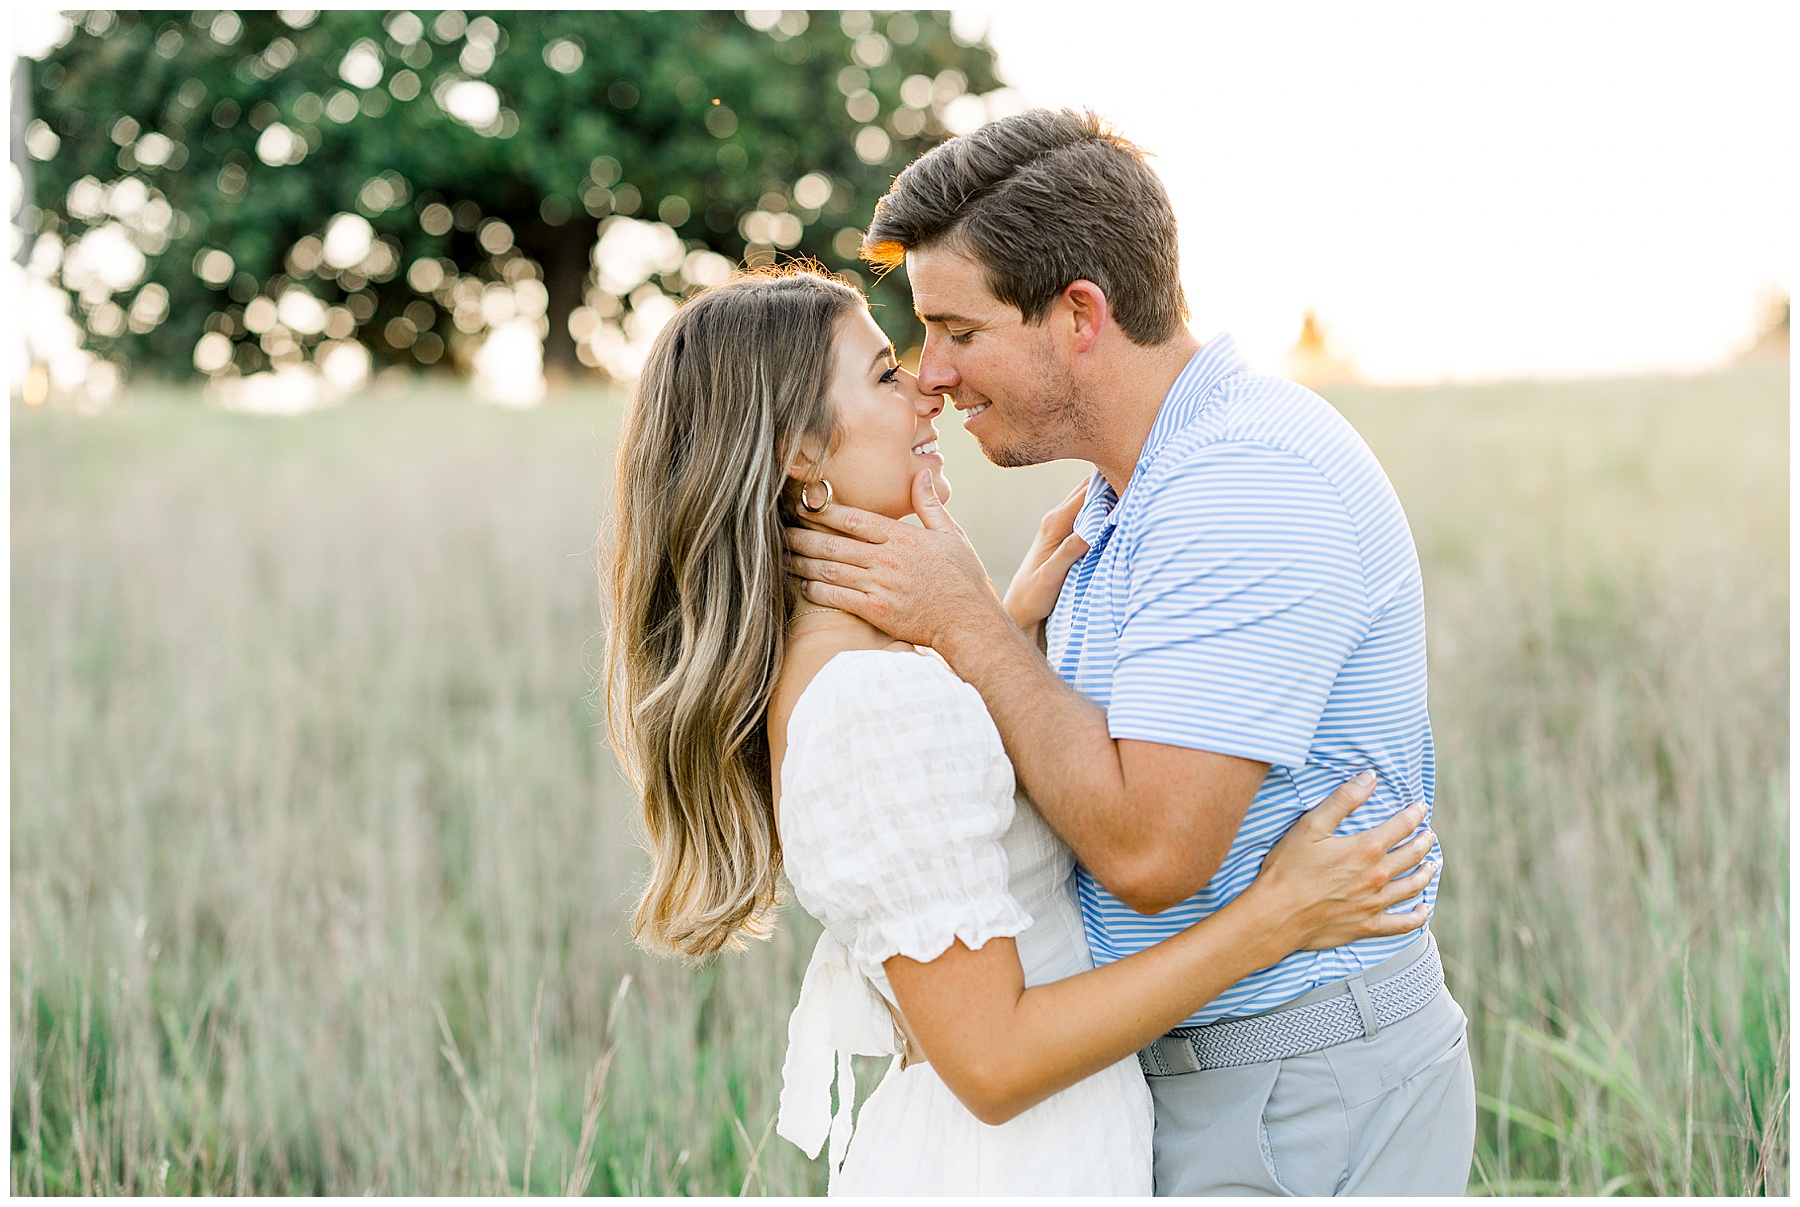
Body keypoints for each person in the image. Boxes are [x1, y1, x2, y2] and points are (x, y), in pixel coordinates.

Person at [605, 267, 1441, 1194]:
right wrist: (1273, 916)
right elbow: (993, 1062)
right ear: (799, 452)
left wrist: (1001, 633)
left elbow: (957, 832)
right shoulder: (869, 707)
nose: (928, 387)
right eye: (885, 375)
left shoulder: (873, 673)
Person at [782, 110, 1478, 1195]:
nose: (935, 375)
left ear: (1079, 315)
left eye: (958, 330)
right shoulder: (1133, 493)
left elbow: (1154, 854)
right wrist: (1003, 630)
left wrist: (972, 627)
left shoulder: (1241, 484)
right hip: (1196, 1081)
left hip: (1291, 1091)